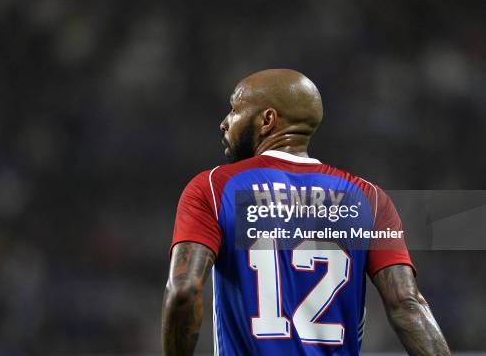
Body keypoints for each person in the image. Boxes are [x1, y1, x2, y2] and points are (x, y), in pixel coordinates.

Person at [161, 69, 450, 355]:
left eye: (235, 109)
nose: (224, 123)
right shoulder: (370, 199)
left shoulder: (212, 187)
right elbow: (407, 304)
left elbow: (184, 291)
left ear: (267, 120)